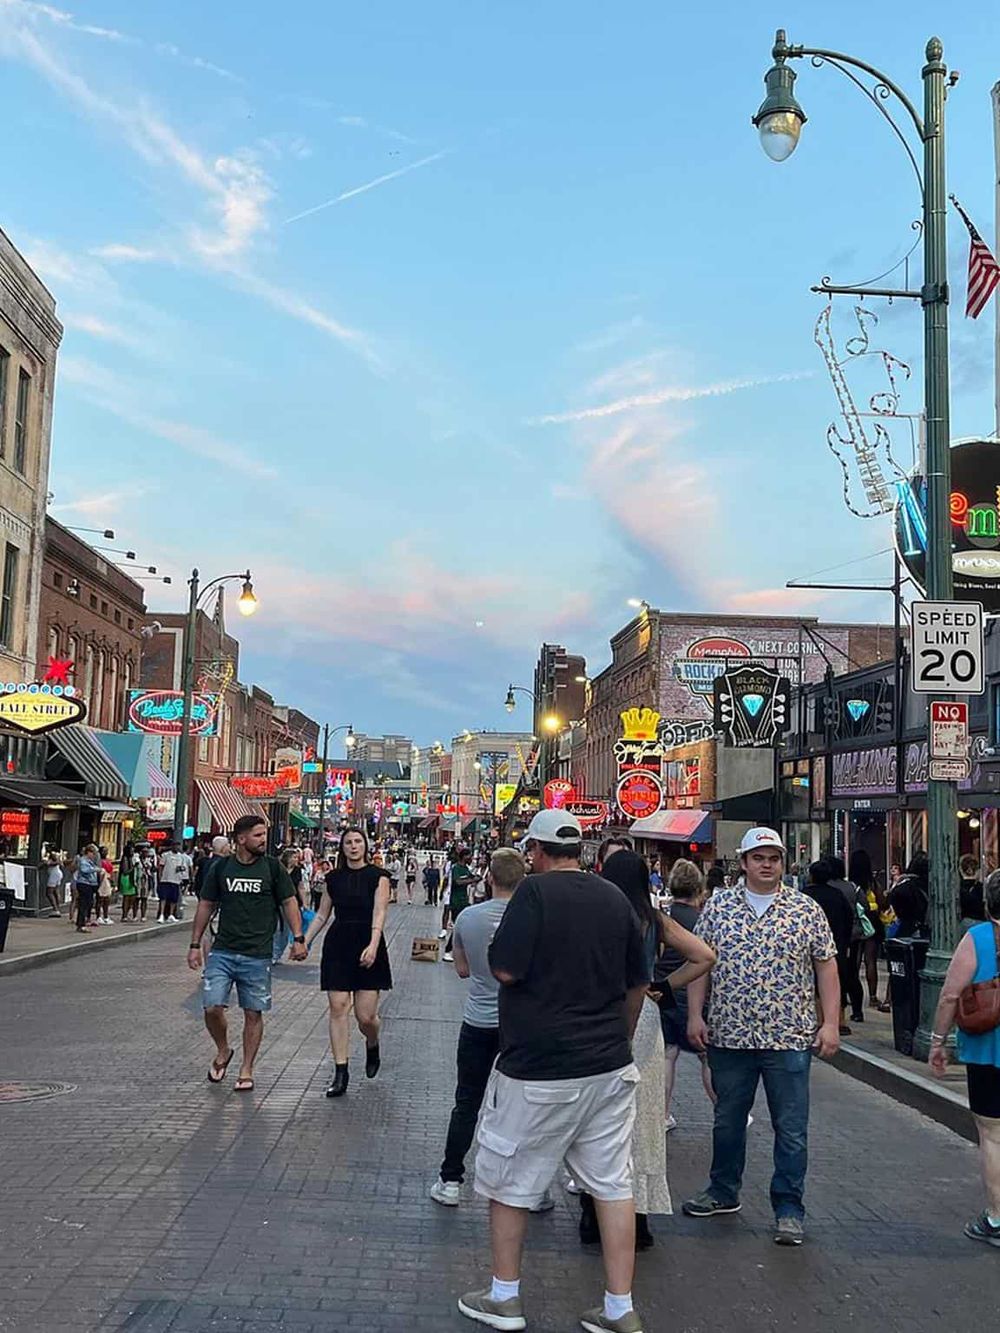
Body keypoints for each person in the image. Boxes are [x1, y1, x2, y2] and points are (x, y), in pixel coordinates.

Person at [459, 809, 651, 1333]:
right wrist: (622, 1037)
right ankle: (620, 1307)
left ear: (537, 852)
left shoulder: (533, 894)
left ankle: (504, 1296)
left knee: (510, 1180)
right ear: (581, 850)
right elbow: (638, 981)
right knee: (612, 1183)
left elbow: (504, 967)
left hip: (540, 1064)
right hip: (609, 1064)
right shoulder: (614, 897)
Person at [682, 827, 840, 1247]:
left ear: (782, 863)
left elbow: (826, 967)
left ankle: (789, 1208)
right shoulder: (717, 909)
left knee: (791, 1127)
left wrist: (829, 1022)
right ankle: (722, 1190)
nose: (766, 864)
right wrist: (695, 1014)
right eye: (758, 857)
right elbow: (700, 965)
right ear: (744, 862)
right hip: (730, 1035)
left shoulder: (805, 910)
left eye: (773, 857)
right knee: (727, 1120)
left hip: (788, 1036)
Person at [595, 850, 715, 1251]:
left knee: (598, 1120)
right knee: (642, 1119)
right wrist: (666, 987)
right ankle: (639, 1216)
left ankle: (592, 1213)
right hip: (644, 1016)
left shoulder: (598, 915)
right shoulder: (653, 920)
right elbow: (705, 956)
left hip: (599, 1011)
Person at [431, 848, 527, 1207]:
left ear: (489, 877)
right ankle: (530, 1187)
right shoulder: (533, 919)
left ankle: (451, 1179)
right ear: (523, 880)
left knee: (466, 1102)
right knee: (521, 1106)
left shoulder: (469, 918)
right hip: (520, 1026)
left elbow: (462, 969)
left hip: (478, 1021)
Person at [187, 816, 306, 1092]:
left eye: (264, 834)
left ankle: (247, 1068)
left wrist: (298, 938)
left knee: (253, 1013)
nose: (263, 840)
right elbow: (206, 904)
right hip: (223, 951)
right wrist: (195, 944)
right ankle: (223, 1049)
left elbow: (289, 902)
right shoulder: (222, 868)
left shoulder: (273, 868)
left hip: (257, 954)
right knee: (212, 1007)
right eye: (257, 835)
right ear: (241, 839)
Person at [929, 867, 1000, 1247]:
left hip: (988, 1051)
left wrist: (938, 1040)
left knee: (993, 1135)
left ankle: (996, 1217)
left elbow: (950, 995)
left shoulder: (978, 938)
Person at [304, 827, 392, 1098]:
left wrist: (374, 945)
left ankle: (372, 1041)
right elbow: (322, 915)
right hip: (339, 944)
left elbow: (380, 912)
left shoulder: (379, 877)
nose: (354, 846)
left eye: (358, 842)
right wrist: (303, 941)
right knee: (338, 1007)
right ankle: (340, 1071)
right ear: (342, 848)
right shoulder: (333, 879)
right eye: (348, 843)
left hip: (368, 941)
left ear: (365, 846)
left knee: (365, 1016)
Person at [659, 859, 717, 1131]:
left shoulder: (663, 918)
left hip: (663, 993)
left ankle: (662, 1113)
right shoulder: (703, 921)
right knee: (706, 1056)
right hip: (693, 994)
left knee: (667, 1055)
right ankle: (724, 1108)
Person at [803, 860, 857, 1037]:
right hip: (837, 945)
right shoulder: (837, 895)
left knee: (813, 983)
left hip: (808, 947)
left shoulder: (804, 897)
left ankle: (818, 1019)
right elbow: (849, 918)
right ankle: (839, 1020)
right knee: (837, 980)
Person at [824, 855, 865, 1026]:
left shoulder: (828, 888)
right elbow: (864, 907)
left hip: (831, 936)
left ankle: (836, 1012)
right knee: (852, 973)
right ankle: (857, 1010)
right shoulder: (853, 887)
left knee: (832, 974)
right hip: (852, 936)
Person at [850, 848, 891, 1011]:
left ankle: (852, 994)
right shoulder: (873, 883)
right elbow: (883, 903)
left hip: (855, 922)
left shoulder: (850, 884)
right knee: (870, 960)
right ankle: (873, 997)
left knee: (854, 961)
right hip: (872, 922)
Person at [444, 848, 479, 962]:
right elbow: (458, 882)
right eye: (469, 856)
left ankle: (458, 951)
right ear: (464, 856)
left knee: (463, 926)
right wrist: (472, 881)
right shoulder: (456, 869)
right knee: (458, 926)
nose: (471, 859)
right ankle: (448, 950)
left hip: (464, 902)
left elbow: (472, 877)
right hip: (456, 902)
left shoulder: (465, 869)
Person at [888, 852, 929, 938]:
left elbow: (894, 897)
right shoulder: (929, 886)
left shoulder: (905, 887)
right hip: (923, 929)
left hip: (907, 928)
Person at [73, 844, 100, 933]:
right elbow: (85, 870)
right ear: (88, 852)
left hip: (89, 884)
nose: (94, 855)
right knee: (84, 904)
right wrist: (96, 870)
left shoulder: (89, 861)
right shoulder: (83, 860)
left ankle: (81, 922)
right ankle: (81, 924)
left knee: (88, 903)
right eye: (93, 853)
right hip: (84, 884)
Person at [157, 842, 184, 923]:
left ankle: (171, 915)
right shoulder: (166, 855)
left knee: (174, 899)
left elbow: (182, 867)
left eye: (178, 846)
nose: (177, 847)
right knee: (163, 898)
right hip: (165, 879)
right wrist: (160, 877)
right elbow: (161, 867)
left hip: (176, 880)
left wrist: (181, 871)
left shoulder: (181, 857)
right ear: (172, 846)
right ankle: (161, 914)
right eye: (175, 846)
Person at [960, 853, 986, 926]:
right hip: (981, 925)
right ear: (978, 870)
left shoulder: (956, 889)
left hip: (961, 926)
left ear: (961, 870)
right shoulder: (983, 889)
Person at [118, 843, 141, 922]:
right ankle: (124, 915)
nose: (132, 852)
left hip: (132, 878)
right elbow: (125, 871)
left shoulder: (132, 858)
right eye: (131, 850)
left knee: (133, 897)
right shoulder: (125, 858)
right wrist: (134, 867)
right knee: (127, 898)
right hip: (126, 878)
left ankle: (127, 913)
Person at [44, 851, 64, 918]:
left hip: (54, 875)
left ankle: (55, 909)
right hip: (58, 874)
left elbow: (48, 864)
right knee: (56, 891)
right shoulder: (57, 861)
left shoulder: (52, 861)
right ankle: (57, 909)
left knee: (49, 892)